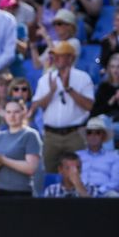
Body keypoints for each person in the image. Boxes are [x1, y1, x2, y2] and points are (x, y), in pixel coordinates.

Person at [31, 41, 94, 172]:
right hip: (51, 136)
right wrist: (51, 92)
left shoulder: (83, 78)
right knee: (47, 172)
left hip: (74, 134)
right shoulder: (45, 79)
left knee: (77, 173)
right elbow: (36, 106)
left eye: (60, 55)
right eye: (55, 55)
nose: (56, 58)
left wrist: (69, 89)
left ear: (71, 58)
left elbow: (89, 106)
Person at [0, 99, 42, 196]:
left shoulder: (30, 135)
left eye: (16, 112)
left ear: (23, 113)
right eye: (8, 112)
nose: (12, 116)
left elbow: (31, 168)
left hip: (20, 192)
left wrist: (3, 160)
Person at [91, 53, 119, 143]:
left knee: (105, 130)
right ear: (109, 68)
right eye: (113, 67)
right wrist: (111, 101)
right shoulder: (103, 86)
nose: (115, 70)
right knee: (101, 124)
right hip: (104, 121)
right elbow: (95, 112)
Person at [76, 117, 119, 195]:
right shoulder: (77, 155)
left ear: (103, 136)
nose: (93, 135)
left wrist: (98, 191)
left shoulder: (115, 157)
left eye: (97, 132)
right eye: (89, 132)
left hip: (104, 192)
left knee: (113, 195)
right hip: (80, 192)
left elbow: (116, 182)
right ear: (86, 136)